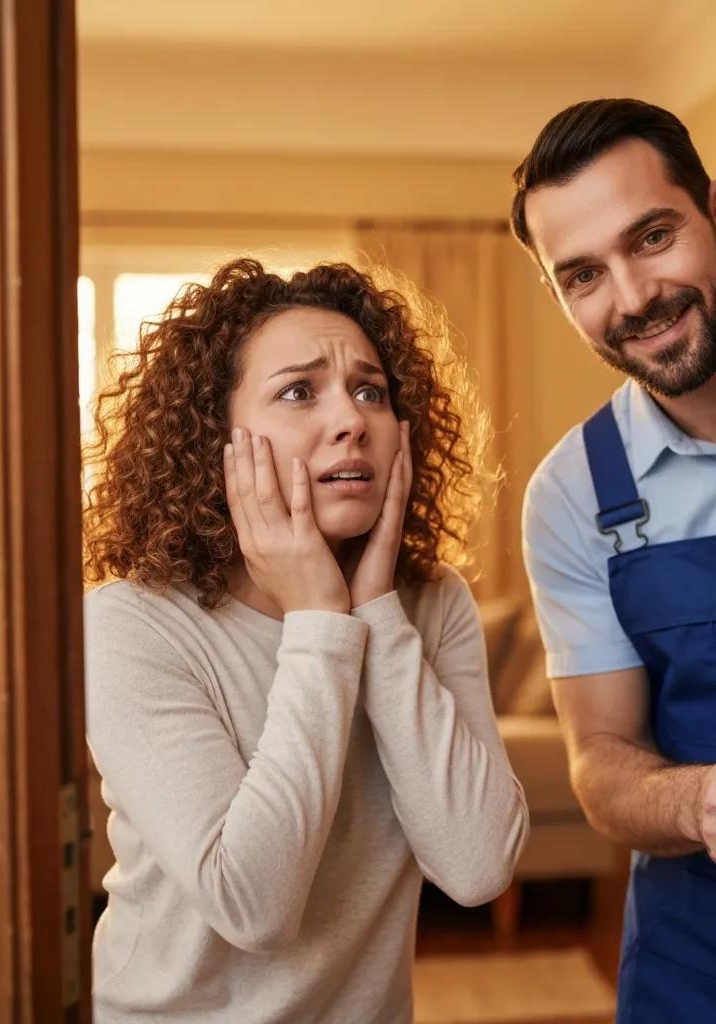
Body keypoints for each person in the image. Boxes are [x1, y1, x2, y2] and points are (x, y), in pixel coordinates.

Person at [83, 257, 528, 1023]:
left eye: (370, 391)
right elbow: (251, 904)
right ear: (214, 438)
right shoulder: (130, 623)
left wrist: (376, 613)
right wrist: (321, 621)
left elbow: (479, 866)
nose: (350, 419)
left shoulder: (432, 604)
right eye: (298, 391)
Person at [510, 99, 716, 1023]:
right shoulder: (573, 496)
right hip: (702, 976)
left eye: (652, 236)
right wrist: (697, 802)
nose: (633, 296)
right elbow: (600, 761)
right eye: (583, 276)